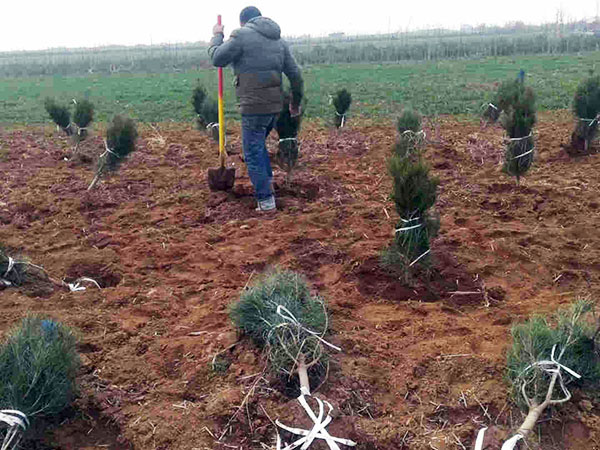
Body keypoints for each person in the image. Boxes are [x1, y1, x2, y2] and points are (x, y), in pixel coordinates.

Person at [209, 6, 303, 212]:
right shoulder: (278, 40)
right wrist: (295, 103)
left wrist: (217, 36)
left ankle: (266, 200)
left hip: (253, 107)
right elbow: (296, 74)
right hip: (274, 109)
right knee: (258, 148)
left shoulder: (241, 36)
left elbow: (217, 58)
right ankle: (267, 187)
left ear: (243, 22)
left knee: (253, 151)